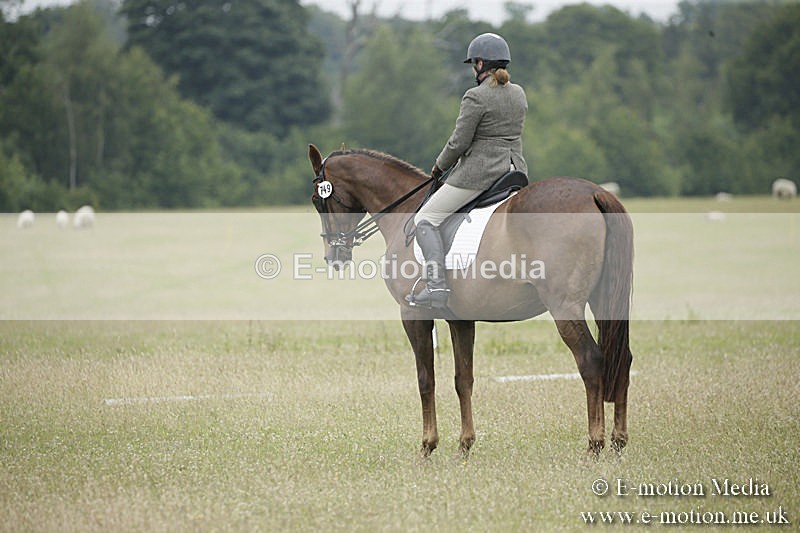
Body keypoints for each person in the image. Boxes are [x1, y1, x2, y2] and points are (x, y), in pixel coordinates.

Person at [407, 32, 528, 308]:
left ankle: (436, 286)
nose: (473, 68)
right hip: (513, 170)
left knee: (425, 218)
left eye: (473, 63)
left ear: (481, 64)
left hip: (480, 174)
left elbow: (459, 142)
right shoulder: (519, 93)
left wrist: (439, 165)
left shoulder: (476, 96)